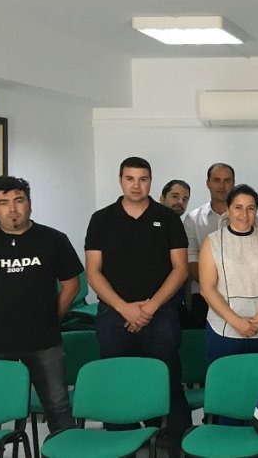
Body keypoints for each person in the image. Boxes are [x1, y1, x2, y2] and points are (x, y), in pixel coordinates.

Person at [0, 175, 84, 437]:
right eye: (3, 203)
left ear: (30, 204)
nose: (12, 209)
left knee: (58, 408)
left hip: (44, 342)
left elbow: (72, 286)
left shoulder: (54, 240)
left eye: (18, 201)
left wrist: (50, 317)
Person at [85, 156, 191, 437]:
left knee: (167, 383)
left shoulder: (167, 219)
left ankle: (174, 444)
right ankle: (124, 444)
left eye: (143, 179)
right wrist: (125, 309)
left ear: (150, 182)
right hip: (114, 317)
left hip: (161, 316)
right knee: (118, 385)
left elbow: (180, 270)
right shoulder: (101, 220)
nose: (136, 185)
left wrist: (149, 309)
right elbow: (93, 273)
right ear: (120, 180)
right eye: (130, 178)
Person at [199, 184, 258, 365]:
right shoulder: (213, 241)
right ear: (229, 209)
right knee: (228, 384)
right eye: (238, 207)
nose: (244, 214)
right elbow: (207, 288)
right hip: (224, 329)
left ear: (256, 211)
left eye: (250, 208)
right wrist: (236, 322)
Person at [184, 163, 235, 327]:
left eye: (227, 180)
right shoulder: (193, 218)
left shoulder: (245, 216)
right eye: (216, 180)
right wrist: (214, 290)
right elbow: (191, 262)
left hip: (240, 294)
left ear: (233, 183)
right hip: (203, 294)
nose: (222, 185)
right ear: (208, 183)